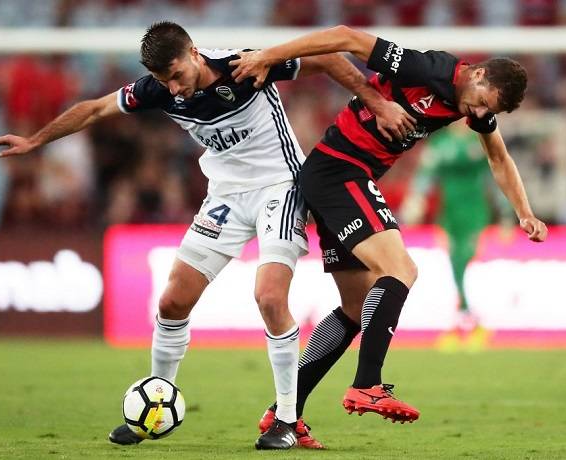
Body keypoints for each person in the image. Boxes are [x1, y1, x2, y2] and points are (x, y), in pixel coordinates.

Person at [0, 21, 412, 450]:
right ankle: (156, 405)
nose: (174, 89)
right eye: (163, 81)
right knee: (172, 300)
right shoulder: (157, 89)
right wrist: (36, 140)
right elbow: (94, 109)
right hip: (224, 196)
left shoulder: (243, 66)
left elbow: (329, 57)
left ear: (194, 53)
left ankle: (286, 419)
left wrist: (374, 101)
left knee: (270, 297)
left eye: (177, 76)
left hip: (279, 188)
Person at [231, 24, 548, 443]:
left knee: (354, 307)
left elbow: (499, 158)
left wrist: (525, 212)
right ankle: (368, 383)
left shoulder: (475, 106)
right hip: (340, 172)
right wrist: (268, 55)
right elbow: (346, 36)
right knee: (400, 269)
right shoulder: (427, 68)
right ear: (478, 75)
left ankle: (283, 416)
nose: (476, 114)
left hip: (340, 177)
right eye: (482, 103)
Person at [400, 122, 514, 351]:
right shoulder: (440, 143)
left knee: (467, 261)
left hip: (475, 212)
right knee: (454, 264)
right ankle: (465, 322)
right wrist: (416, 199)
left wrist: (506, 214)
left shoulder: (480, 141)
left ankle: (471, 323)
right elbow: (426, 175)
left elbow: (494, 177)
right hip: (449, 214)